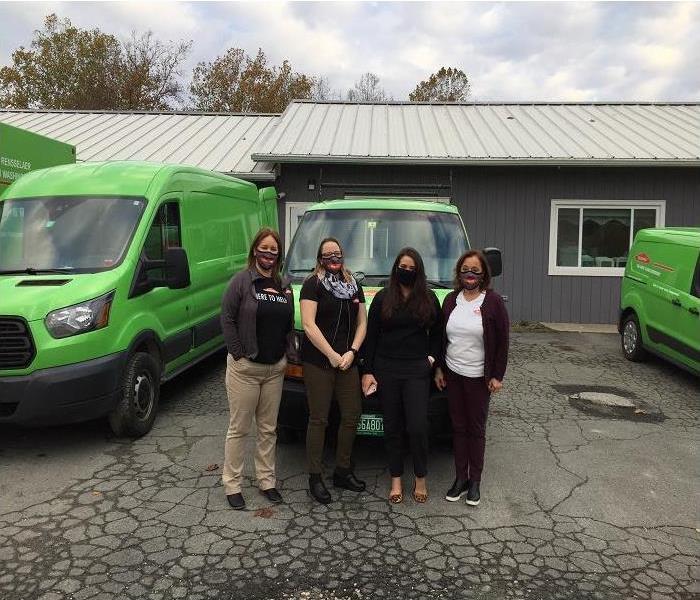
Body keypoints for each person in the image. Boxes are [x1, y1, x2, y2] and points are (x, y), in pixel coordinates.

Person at [361, 248, 442, 504]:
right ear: (395, 268)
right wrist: (368, 371)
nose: (405, 271)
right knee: (392, 427)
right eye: (402, 266)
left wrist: (431, 358)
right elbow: (371, 336)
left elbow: (438, 334)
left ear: (418, 271)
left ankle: (420, 478)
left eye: (410, 268)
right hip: (387, 369)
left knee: (417, 426)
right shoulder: (383, 297)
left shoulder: (428, 298)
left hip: (417, 370)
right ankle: (396, 478)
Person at [220, 228, 293, 510]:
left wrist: (287, 354)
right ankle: (232, 484)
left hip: (274, 369)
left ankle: (266, 481)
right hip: (245, 369)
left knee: (268, 429)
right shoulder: (241, 281)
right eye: (264, 248)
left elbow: (287, 324)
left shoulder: (283, 284)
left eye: (274, 250)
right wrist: (238, 354)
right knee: (239, 429)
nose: (268, 254)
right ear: (254, 251)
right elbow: (226, 318)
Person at [435, 250, 509, 506]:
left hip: (479, 378)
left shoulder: (493, 302)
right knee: (458, 428)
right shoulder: (451, 300)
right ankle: (460, 478)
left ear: (484, 274)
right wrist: (439, 369)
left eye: (476, 270)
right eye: (465, 269)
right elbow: (442, 339)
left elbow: (502, 342)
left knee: (476, 430)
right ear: (459, 272)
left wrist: (497, 376)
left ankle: (475, 480)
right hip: (453, 375)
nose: (470, 274)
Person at [300, 237, 368, 504]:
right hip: (319, 361)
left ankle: (342, 471)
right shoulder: (312, 284)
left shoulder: (353, 286)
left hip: (347, 361)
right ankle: (315, 477)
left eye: (336, 253)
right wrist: (331, 355)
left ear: (343, 256)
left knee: (352, 414)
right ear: (319, 258)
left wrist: (352, 352)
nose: (333, 258)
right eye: (327, 254)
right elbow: (308, 324)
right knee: (319, 419)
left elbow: (362, 322)